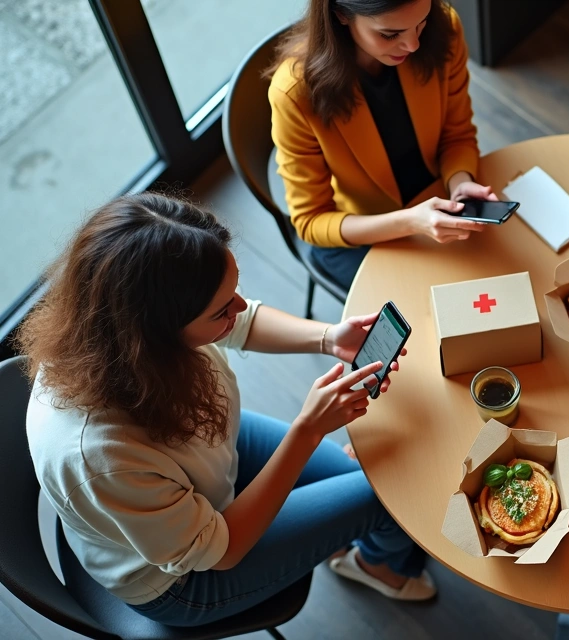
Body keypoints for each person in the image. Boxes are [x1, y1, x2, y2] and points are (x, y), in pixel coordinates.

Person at [19, 194, 434, 627]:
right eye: (221, 310)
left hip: (205, 456)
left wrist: (331, 338)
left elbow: (243, 320)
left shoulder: (116, 334)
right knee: (389, 498)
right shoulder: (102, 456)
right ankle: (377, 568)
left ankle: (344, 537)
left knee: (371, 477)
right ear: (155, 337)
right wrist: (308, 430)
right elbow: (222, 550)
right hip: (185, 580)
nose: (239, 308)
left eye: (234, 291)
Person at [270, 0, 495, 289]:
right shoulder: (296, 95)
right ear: (340, 15)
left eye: (420, 23)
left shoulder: (442, 29)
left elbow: (457, 134)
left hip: (435, 196)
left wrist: (460, 181)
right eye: (390, 34)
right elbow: (311, 220)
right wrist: (411, 222)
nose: (413, 44)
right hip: (361, 229)